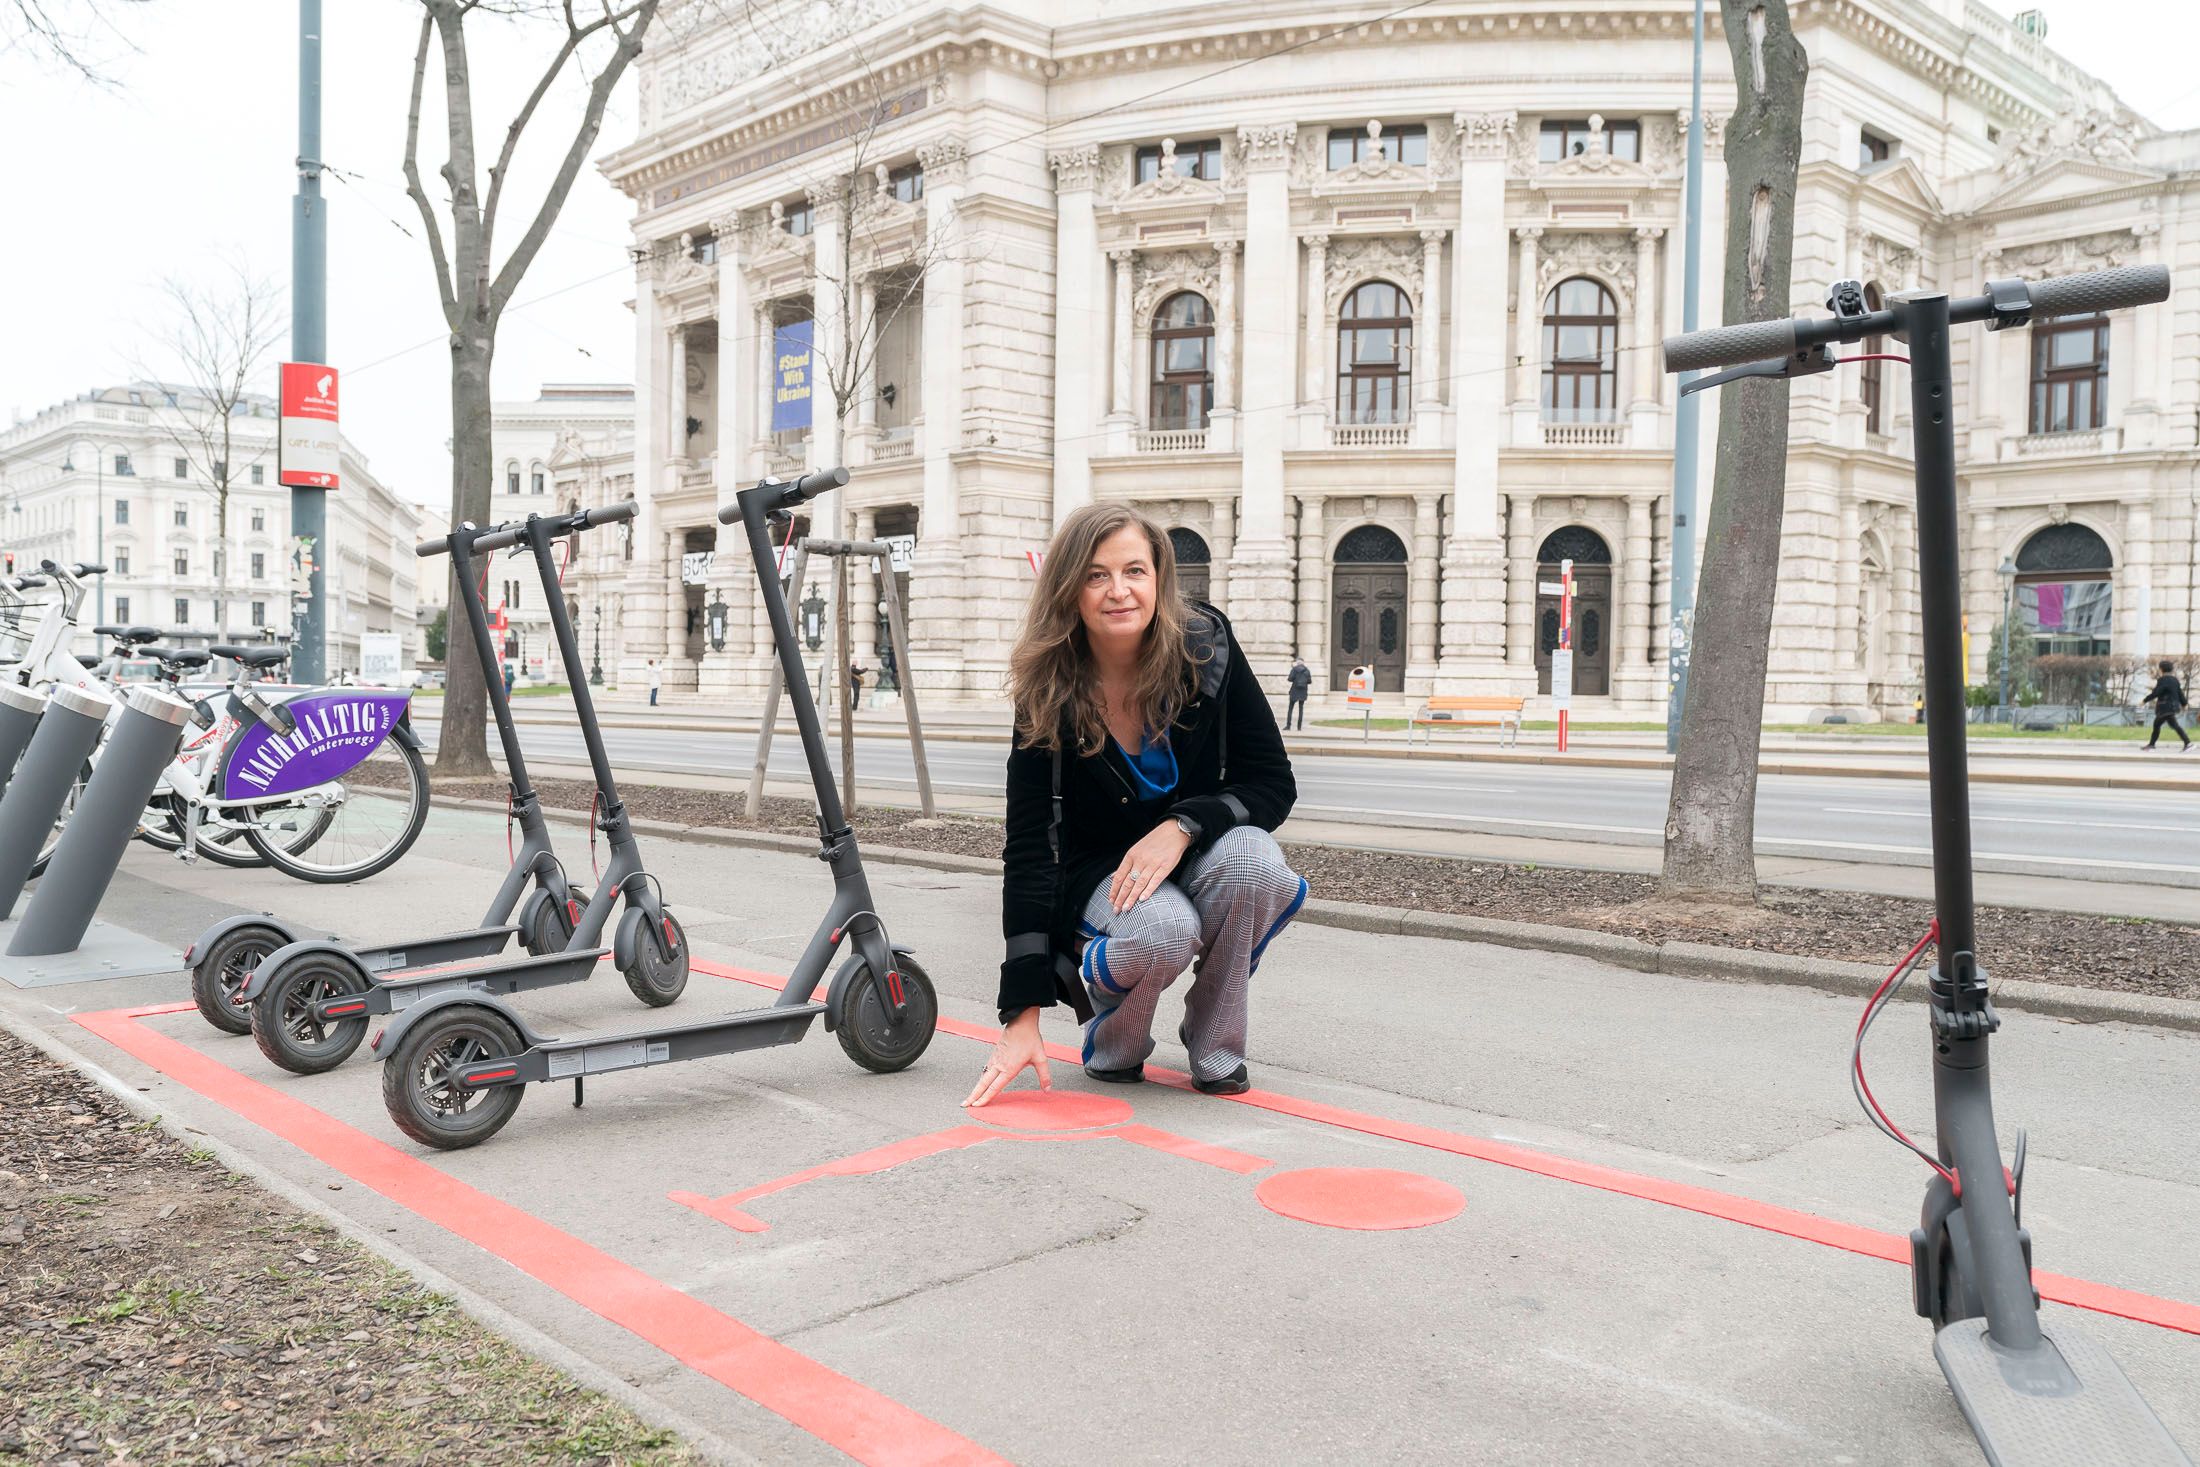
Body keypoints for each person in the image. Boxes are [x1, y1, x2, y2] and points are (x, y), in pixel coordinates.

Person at [967, 503, 1304, 1109]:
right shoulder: (1049, 689)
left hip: (1193, 850)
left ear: (1159, 578)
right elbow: (1028, 845)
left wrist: (1184, 824)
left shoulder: (1207, 649)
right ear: (1069, 589)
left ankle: (1215, 1037)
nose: (1119, 591)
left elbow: (1272, 784)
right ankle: (1114, 1036)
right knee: (1163, 928)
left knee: (1253, 858)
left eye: (1135, 571)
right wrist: (1020, 1010)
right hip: (1101, 874)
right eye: (1096, 576)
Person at [2142, 659, 2190, 750]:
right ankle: (2152, 745)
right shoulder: (2174, 680)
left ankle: (2188, 743)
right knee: (2158, 724)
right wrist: (2184, 704)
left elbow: (2157, 692)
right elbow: (2179, 693)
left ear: (2161, 669)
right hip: (2172, 707)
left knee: (2172, 726)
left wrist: (2145, 700)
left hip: (2165, 707)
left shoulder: (2163, 680)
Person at [1285, 655, 1311, 730]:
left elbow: (1290, 679)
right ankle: (1299, 727)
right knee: (1301, 709)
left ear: (1297, 662)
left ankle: (1288, 725)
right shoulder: (1307, 670)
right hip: (1303, 691)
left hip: (1294, 691)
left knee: (1290, 708)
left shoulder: (1294, 669)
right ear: (1303, 662)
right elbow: (1309, 681)